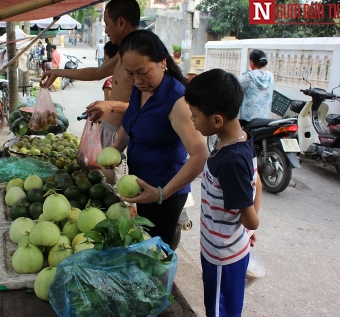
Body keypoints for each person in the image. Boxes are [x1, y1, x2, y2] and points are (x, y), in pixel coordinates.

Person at [110, 30, 208, 249]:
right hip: (141, 189)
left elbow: (200, 154)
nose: (137, 80)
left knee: (156, 253)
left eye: (142, 72)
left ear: (162, 62)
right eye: (130, 73)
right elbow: (130, 123)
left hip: (165, 195)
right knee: (142, 245)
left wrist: (162, 193)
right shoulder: (140, 89)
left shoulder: (177, 100)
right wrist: (115, 149)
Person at [184, 68, 261, 317]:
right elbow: (256, 183)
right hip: (223, 246)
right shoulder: (243, 139)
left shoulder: (230, 162)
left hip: (222, 256)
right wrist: (248, 232)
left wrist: (250, 227)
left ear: (217, 120)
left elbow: (250, 217)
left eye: (195, 116)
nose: (192, 121)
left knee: (220, 311)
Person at [41, 0, 140, 185]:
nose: (106, 30)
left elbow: (147, 105)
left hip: (123, 134)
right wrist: (58, 72)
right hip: (110, 132)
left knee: (119, 191)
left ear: (121, 23)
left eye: (106, 24)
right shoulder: (123, 52)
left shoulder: (140, 56)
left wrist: (111, 106)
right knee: (105, 186)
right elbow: (97, 72)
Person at [238, 49, 274, 125]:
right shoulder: (271, 76)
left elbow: (235, 88)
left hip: (248, 119)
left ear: (252, 62)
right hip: (265, 118)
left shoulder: (249, 76)